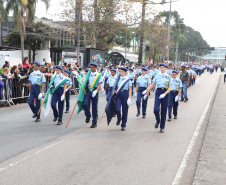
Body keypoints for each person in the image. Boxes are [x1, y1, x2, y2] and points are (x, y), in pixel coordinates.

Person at [143, 63, 172, 133]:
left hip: (165, 93)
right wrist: (146, 92)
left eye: (163, 68)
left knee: (163, 111)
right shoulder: (157, 76)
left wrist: (165, 94)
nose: (162, 69)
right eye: (161, 67)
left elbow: (170, 87)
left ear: (166, 69)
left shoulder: (168, 77)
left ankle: (162, 127)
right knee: (156, 109)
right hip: (158, 92)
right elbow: (152, 85)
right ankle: (158, 120)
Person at [82, 62, 103, 128]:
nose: (91, 69)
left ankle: (94, 122)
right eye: (91, 67)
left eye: (93, 67)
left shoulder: (99, 75)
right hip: (88, 91)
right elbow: (85, 82)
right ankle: (88, 115)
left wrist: (96, 91)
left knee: (94, 107)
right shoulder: (88, 74)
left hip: (94, 91)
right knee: (84, 104)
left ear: (96, 67)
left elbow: (100, 84)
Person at [115, 67, 132, 131]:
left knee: (125, 111)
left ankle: (123, 124)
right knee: (117, 109)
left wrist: (129, 98)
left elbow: (130, 90)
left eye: (122, 72)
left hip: (125, 95)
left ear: (125, 72)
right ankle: (119, 118)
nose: (121, 73)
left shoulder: (128, 80)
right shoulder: (118, 79)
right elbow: (115, 87)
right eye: (120, 72)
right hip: (119, 95)